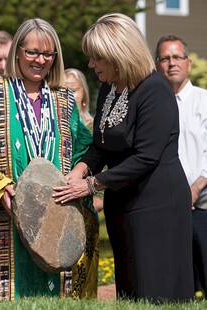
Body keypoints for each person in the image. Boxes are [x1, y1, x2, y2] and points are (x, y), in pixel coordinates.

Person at [0, 18, 99, 301]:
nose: (40, 60)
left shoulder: (64, 99)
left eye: (48, 54)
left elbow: (85, 148)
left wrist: (77, 173)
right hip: (3, 220)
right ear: (17, 52)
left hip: (54, 217)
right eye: (32, 52)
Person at [53, 13, 194, 303]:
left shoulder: (154, 91)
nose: (91, 65)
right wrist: (80, 169)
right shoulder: (108, 88)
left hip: (157, 206)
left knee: (155, 292)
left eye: (97, 58)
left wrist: (91, 185)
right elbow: (102, 144)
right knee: (130, 292)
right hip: (123, 203)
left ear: (118, 54)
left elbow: (146, 157)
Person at [155, 34, 207, 297]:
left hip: (203, 207)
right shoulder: (152, 106)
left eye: (177, 57)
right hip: (166, 208)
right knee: (178, 289)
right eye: (165, 58)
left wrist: (196, 187)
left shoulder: (204, 101)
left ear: (187, 62)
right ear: (157, 64)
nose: (171, 63)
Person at [64, 68, 103, 212]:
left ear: (84, 95)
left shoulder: (94, 128)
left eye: (73, 90)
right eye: (63, 90)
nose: (68, 95)